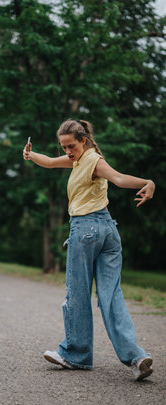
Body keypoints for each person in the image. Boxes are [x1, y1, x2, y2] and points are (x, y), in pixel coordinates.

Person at [23, 119, 155, 381]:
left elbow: (117, 178)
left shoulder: (93, 159)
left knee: (78, 293)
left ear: (83, 140)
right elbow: (49, 162)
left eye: (70, 146)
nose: (67, 151)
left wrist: (148, 182)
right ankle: (137, 357)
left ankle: (77, 354)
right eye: (64, 147)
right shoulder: (77, 160)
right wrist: (29, 154)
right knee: (111, 295)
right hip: (108, 232)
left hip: (86, 230)